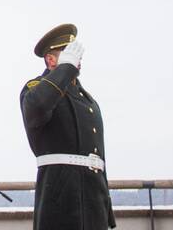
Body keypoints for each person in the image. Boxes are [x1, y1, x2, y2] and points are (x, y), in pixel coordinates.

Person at [20, 24, 115, 229]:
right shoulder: (36, 88)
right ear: (51, 59)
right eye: (67, 54)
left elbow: (98, 156)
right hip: (61, 197)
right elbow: (37, 107)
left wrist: (106, 207)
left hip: (93, 198)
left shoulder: (88, 100)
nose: (76, 59)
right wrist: (65, 69)